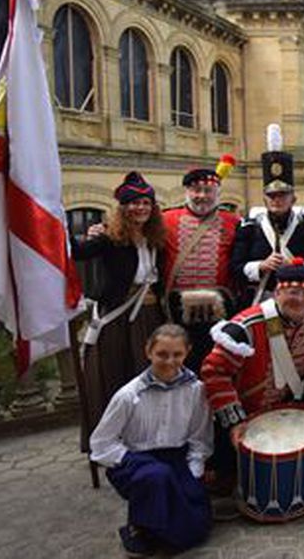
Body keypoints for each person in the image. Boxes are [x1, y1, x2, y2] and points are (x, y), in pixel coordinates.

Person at [200, 258, 304, 493]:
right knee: (223, 483)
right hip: (243, 412)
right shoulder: (246, 327)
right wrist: (235, 420)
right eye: (293, 292)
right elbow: (214, 373)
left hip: (288, 408)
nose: (300, 300)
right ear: (277, 293)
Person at [89, 324, 212, 557]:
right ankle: (139, 527)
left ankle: (159, 524)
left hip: (176, 456)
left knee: (197, 528)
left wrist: (194, 471)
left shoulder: (196, 391)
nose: (169, 361)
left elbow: (199, 436)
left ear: (187, 352)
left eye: (177, 354)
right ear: (148, 352)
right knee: (156, 477)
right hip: (136, 461)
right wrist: (128, 459)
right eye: (162, 354)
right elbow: (100, 444)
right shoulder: (128, 395)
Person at [73, 172, 169, 442]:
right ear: (123, 207)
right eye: (134, 203)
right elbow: (77, 252)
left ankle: (147, 435)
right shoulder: (108, 238)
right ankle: (110, 438)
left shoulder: (156, 239)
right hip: (117, 317)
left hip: (151, 317)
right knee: (115, 377)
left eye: (146, 203)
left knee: (148, 376)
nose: (140, 208)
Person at [229, 124, 304, 311]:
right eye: (272, 196)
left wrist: (296, 265)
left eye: (282, 195)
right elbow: (235, 268)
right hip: (262, 301)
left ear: (293, 198)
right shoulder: (249, 227)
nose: (276, 200)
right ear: (264, 199)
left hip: (300, 301)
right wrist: (261, 265)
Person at [162, 156, 239, 368]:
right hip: (177, 309)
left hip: (220, 309)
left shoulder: (234, 222)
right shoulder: (166, 219)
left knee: (217, 362)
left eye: (208, 191)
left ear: (217, 194)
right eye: (196, 190)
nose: (202, 196)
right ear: (187, 192)